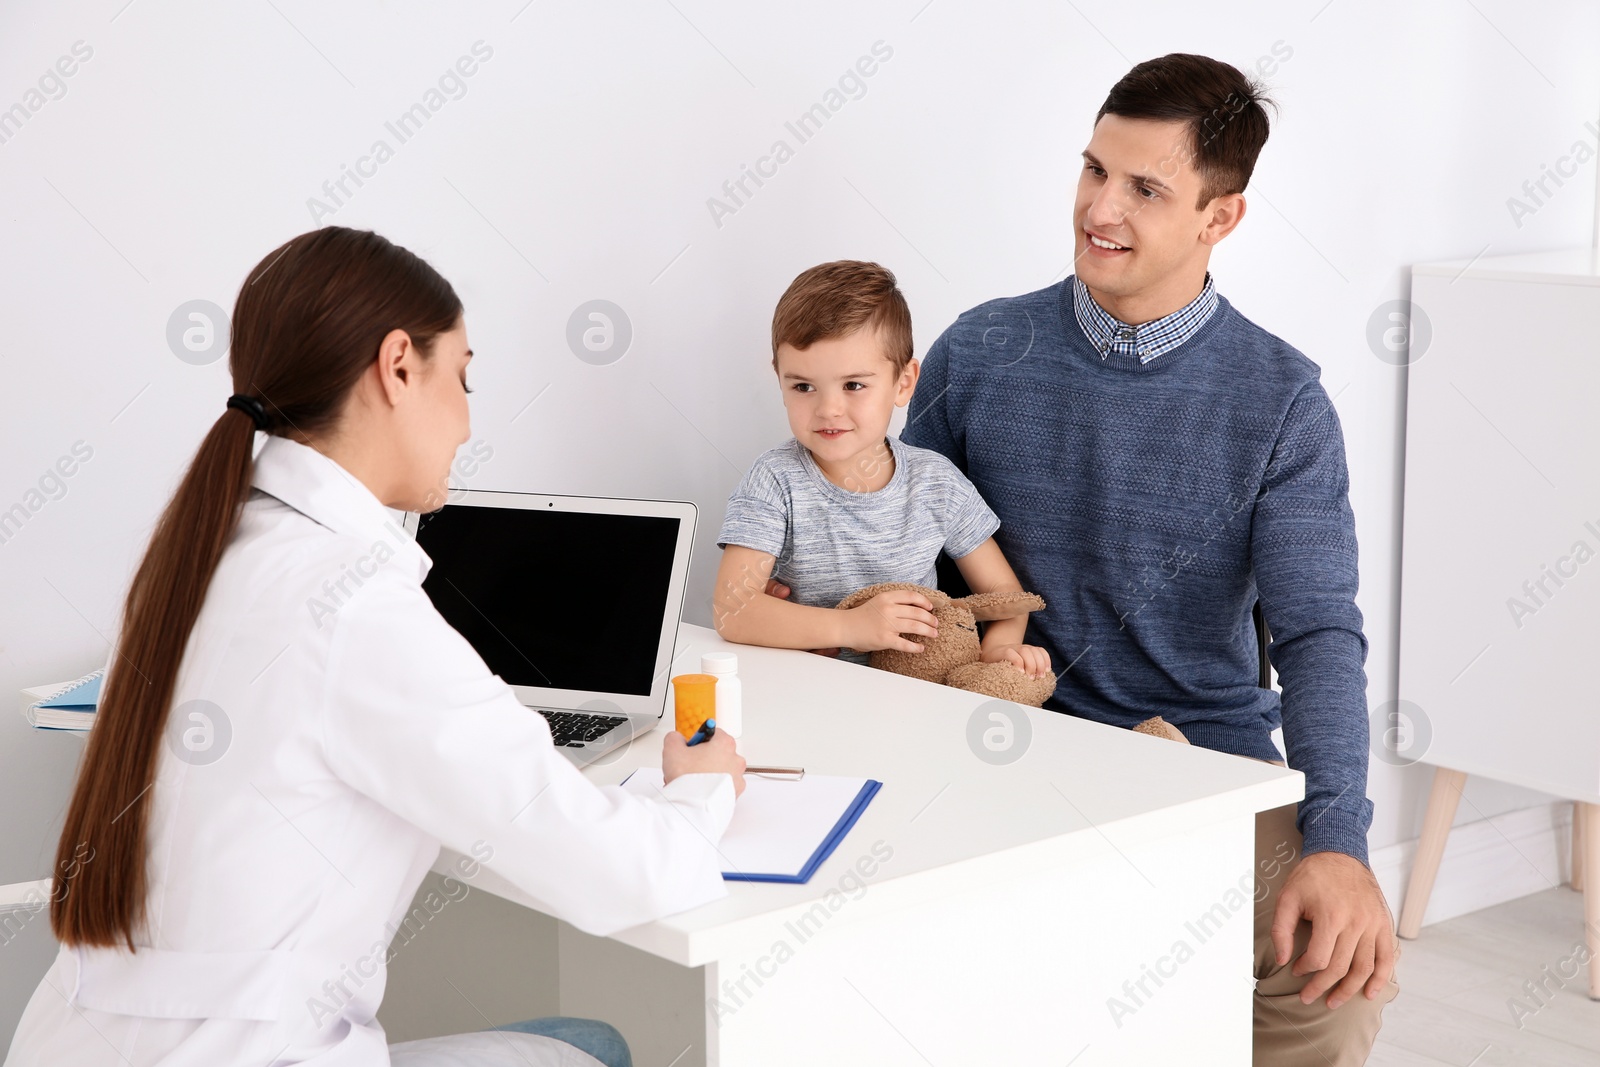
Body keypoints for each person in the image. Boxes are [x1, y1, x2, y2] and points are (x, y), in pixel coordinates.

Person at [5, 227, 745, 1067]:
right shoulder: (354, 609)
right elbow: (628, 876)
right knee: (596, 1050)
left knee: (576, 1039)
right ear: (398, 366)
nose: (467, 420)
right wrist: (701, 794)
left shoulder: (211, 553)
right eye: (462, 376)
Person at [898, 55, 1400, 1064]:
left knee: (1330, 988)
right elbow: (921, 575)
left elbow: (1315, 634)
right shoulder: (977, 352)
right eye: (1093, 170)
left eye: (1143, 188)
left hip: (1201, 761)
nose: (1098, 207)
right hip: (1010, 738)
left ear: (1221, 218)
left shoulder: (1281, 401)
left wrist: (1337, 838)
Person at [711, 260, 1051, 680]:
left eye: (854, 385)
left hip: (912, 692)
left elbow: (1005, 595)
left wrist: (1000, 650)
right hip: (807, 690)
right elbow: (733, 609)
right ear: (780, 379)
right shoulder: (775, 480)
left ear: (904, 382)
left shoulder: (935, 482)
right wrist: (851, 627)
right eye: (803, 386)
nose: (827, 409)